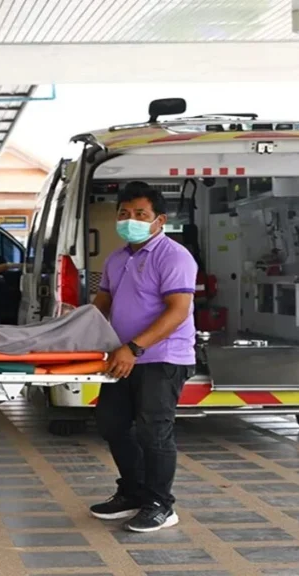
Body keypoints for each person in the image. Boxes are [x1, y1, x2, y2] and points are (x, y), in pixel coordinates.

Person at [88, 181, 197, 533]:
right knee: (112, 424)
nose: (130, 220)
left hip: (162, 357)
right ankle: (133, 493)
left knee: (154, 432)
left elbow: (178, 310)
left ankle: (160, 504)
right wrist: (73, 329)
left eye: (140, 214)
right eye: (124, 213)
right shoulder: (117, 258)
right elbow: (102, 304)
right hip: (122, 357)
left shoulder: (174, 256)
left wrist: (134, 347)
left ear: (159, 219)